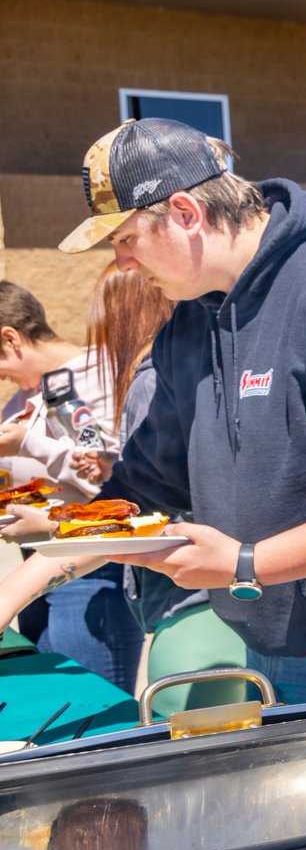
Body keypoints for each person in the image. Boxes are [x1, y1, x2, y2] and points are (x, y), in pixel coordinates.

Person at [0, 116, 306, 704]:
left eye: (125, 239)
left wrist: (246, 563)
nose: (122, 263)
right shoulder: (190, 323)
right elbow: (147, 487)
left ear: (185, 214)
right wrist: (28, 574)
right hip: (271, 644)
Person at [74, 262, 247, 714]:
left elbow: (152, 497)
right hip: (219, 601)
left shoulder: (153, 377)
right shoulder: (197, 372)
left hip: (190, 603)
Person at [0, 280, 144, 692]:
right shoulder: (20, 401)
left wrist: (27, 443)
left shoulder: (98, 377)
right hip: (36, 568)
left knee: (91, 721)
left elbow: (109, 482)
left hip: (89, 572)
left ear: (10, 338)